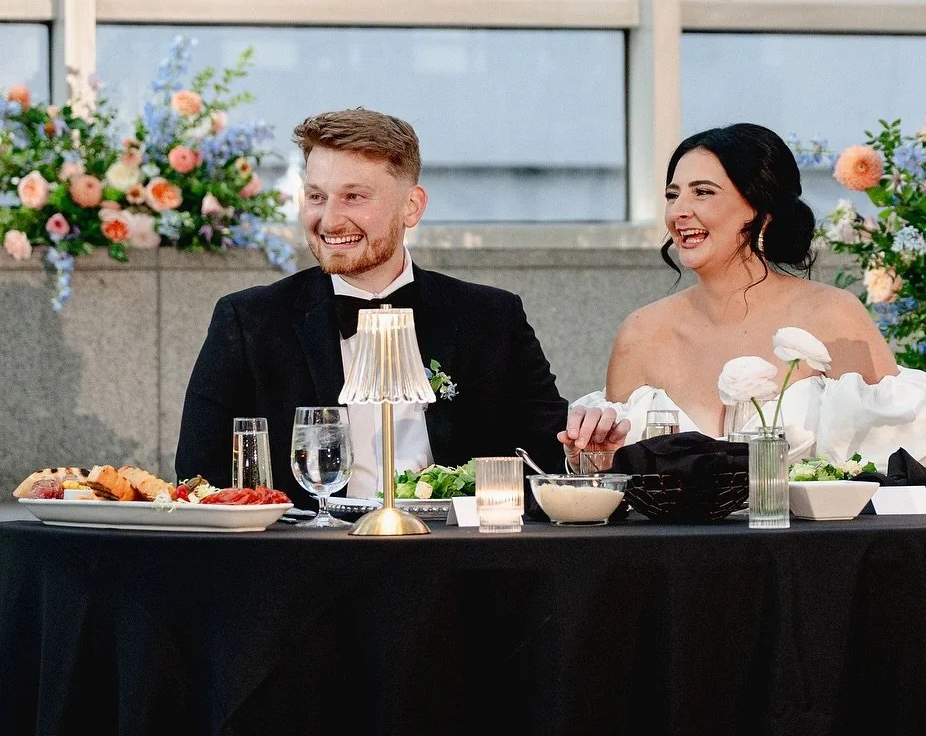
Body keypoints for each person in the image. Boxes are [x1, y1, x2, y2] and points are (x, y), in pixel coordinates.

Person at [175, 109, 625, 493]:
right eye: (316, 196)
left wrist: (584, 454)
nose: (329, 219)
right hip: (305, 572)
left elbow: (547, 452)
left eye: (354, 196)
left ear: (411, 207)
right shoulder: (248, 321)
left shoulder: (491, 318)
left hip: (457, 569)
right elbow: (199, 476)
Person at [568, 123, 926, 468]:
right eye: (673, 195)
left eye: (702, 192)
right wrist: (592, 454)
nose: (678, 212)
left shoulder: (832, 316)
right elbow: (607, 479)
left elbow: (896, 466)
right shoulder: (642, 332)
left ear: (760, 209)